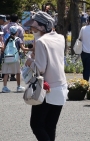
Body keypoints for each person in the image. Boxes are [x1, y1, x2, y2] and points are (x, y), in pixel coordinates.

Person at [25, 11, 67, 141]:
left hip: (46, 88)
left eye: (34, 27)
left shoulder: (41, 42)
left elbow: (41, 68)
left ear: (42, 27)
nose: (32, 30)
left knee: (36, 125)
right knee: (50, 125)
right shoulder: (60, 38)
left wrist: (30, 62)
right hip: (61, 86)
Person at [1, 26, 27, 92]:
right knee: (18, 73)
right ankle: (18, 87)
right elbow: (23, 48)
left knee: (6, 73)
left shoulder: (6, 38)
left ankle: (4, 87)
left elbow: (3, 49)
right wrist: (31, 49)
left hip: (7, 58)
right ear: (16, 32)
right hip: (15, 57)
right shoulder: (18, 39)